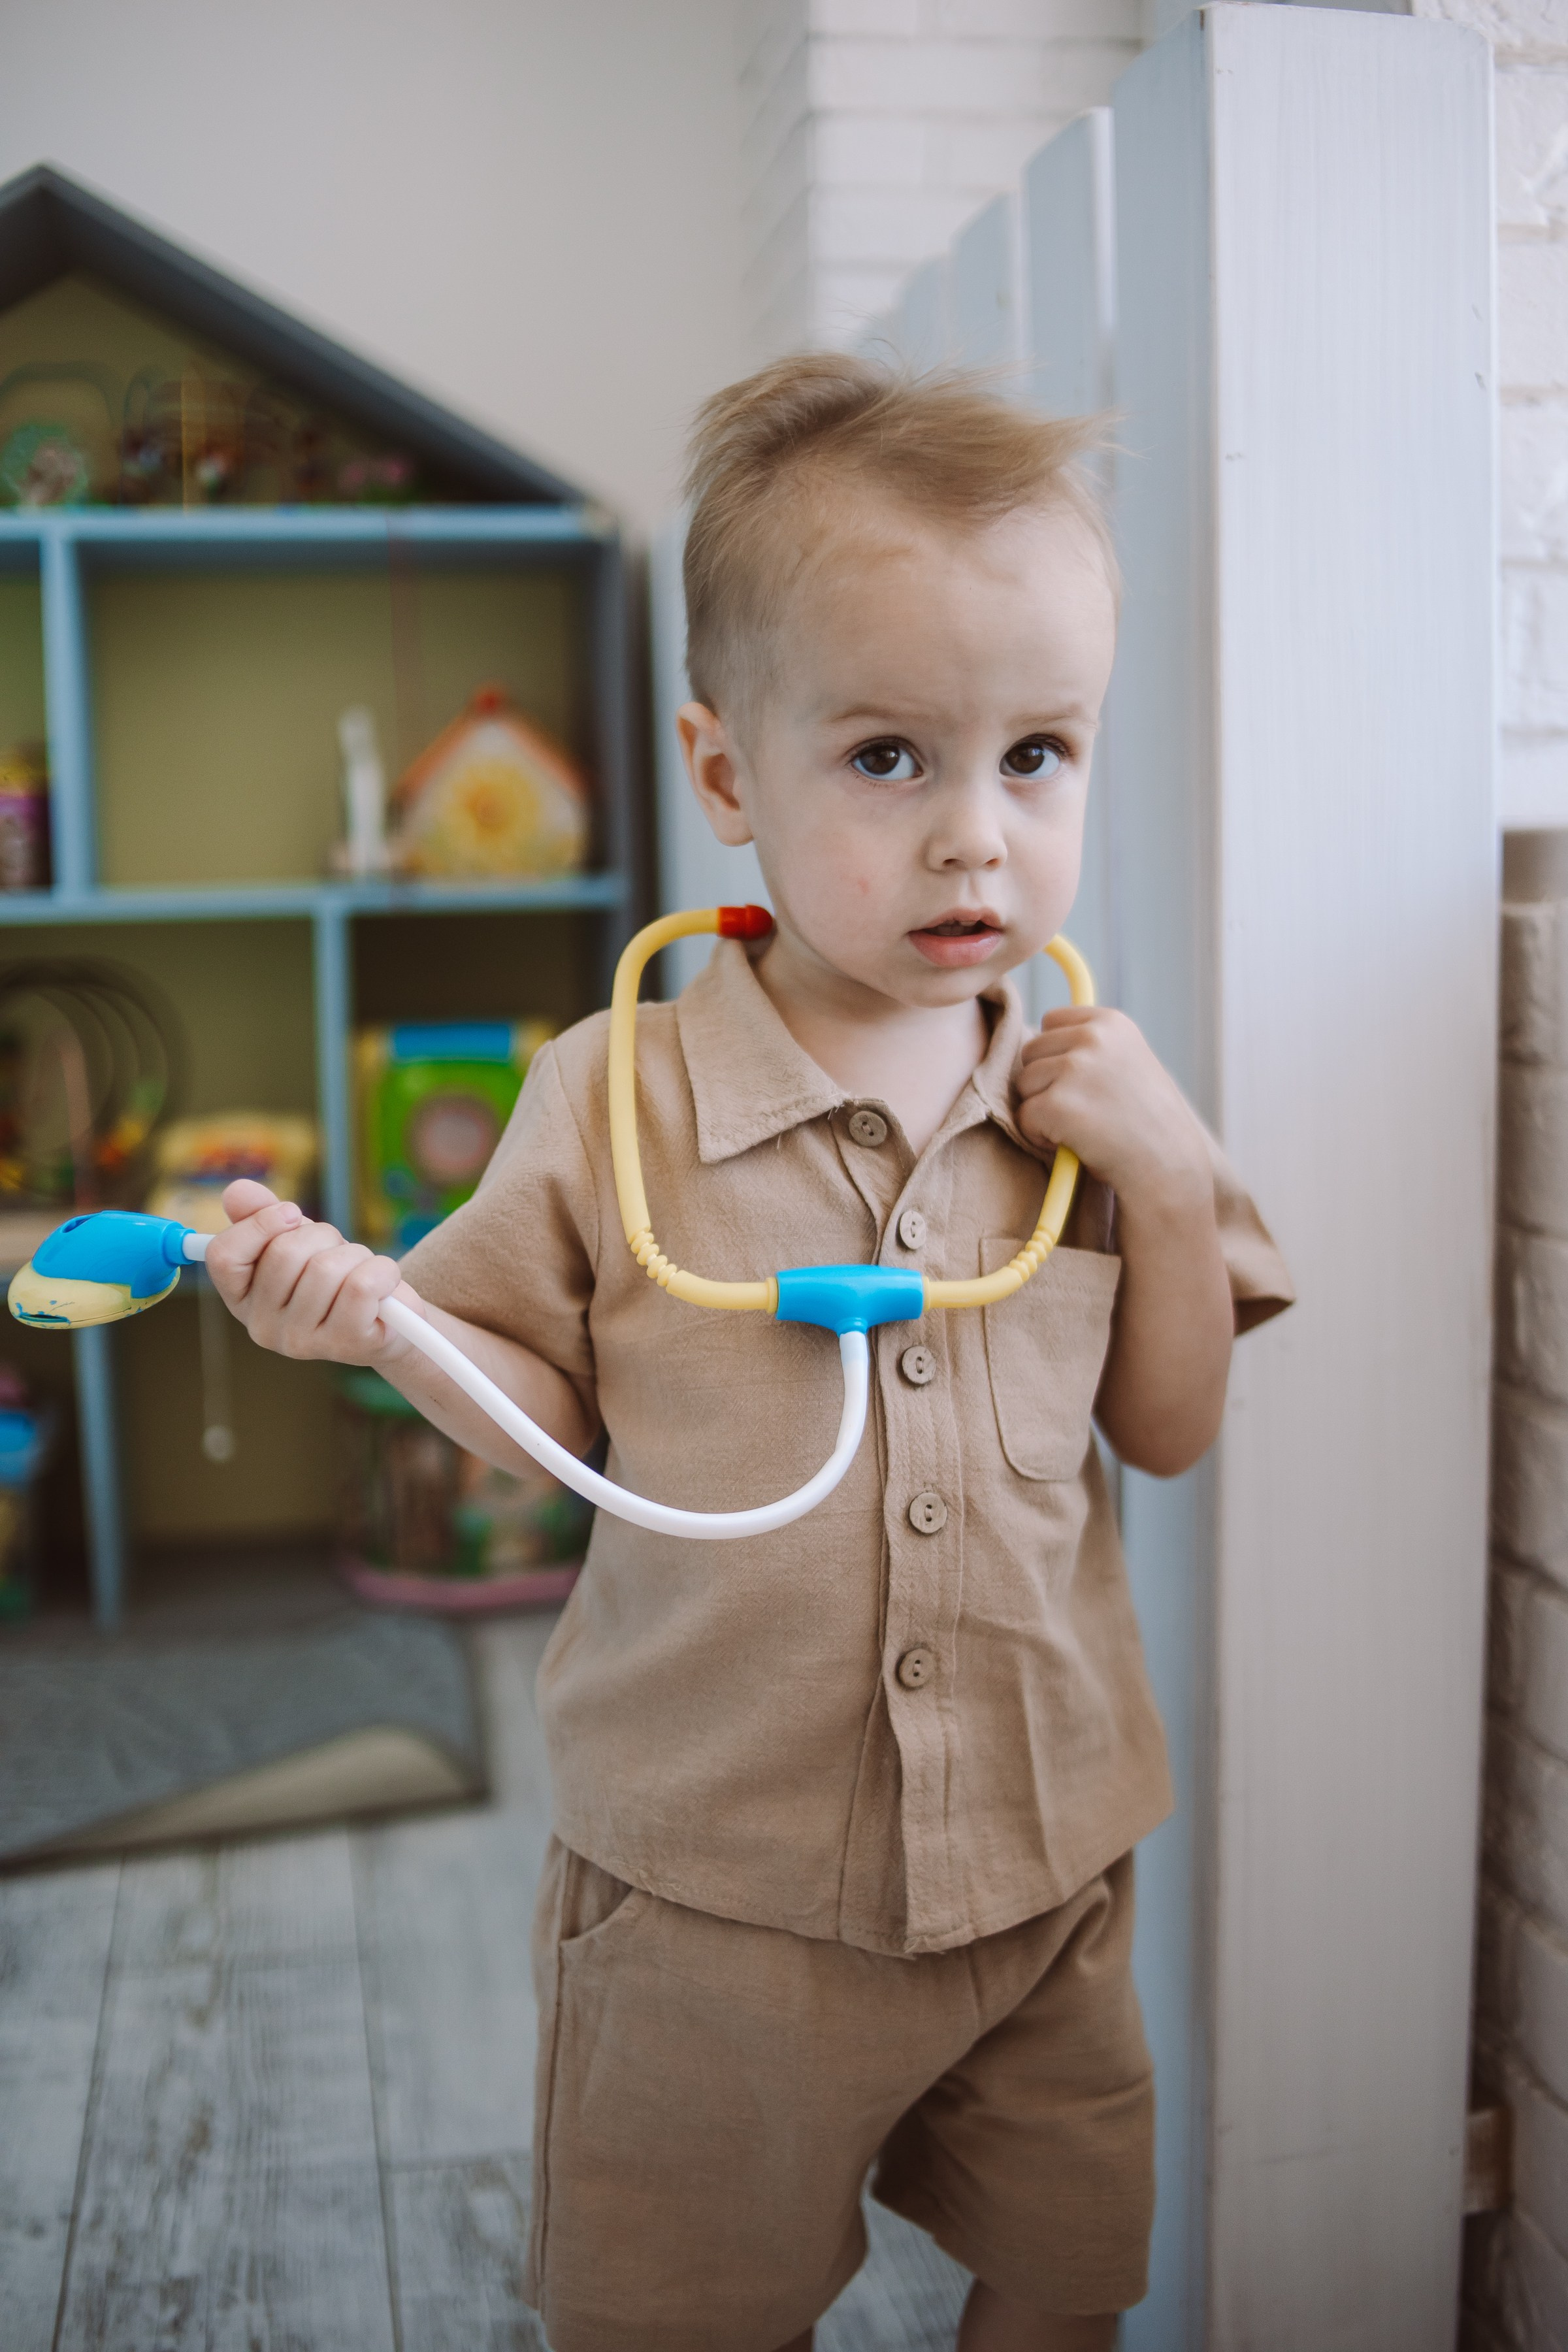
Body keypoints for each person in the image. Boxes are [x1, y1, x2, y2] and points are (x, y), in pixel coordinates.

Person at [206, 356, 1293, 2352]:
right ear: (728, 773)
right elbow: (533, 1419)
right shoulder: (607, 1095)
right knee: (684, 2316)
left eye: (1038, 754)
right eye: (891, 758)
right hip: (718, 1897)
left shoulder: (1098, 1098)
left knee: (1068, 2279)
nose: (979, 838)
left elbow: (1172, 1424)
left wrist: (1162, 1163)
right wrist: (368, 1322)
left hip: (1046, 1875)